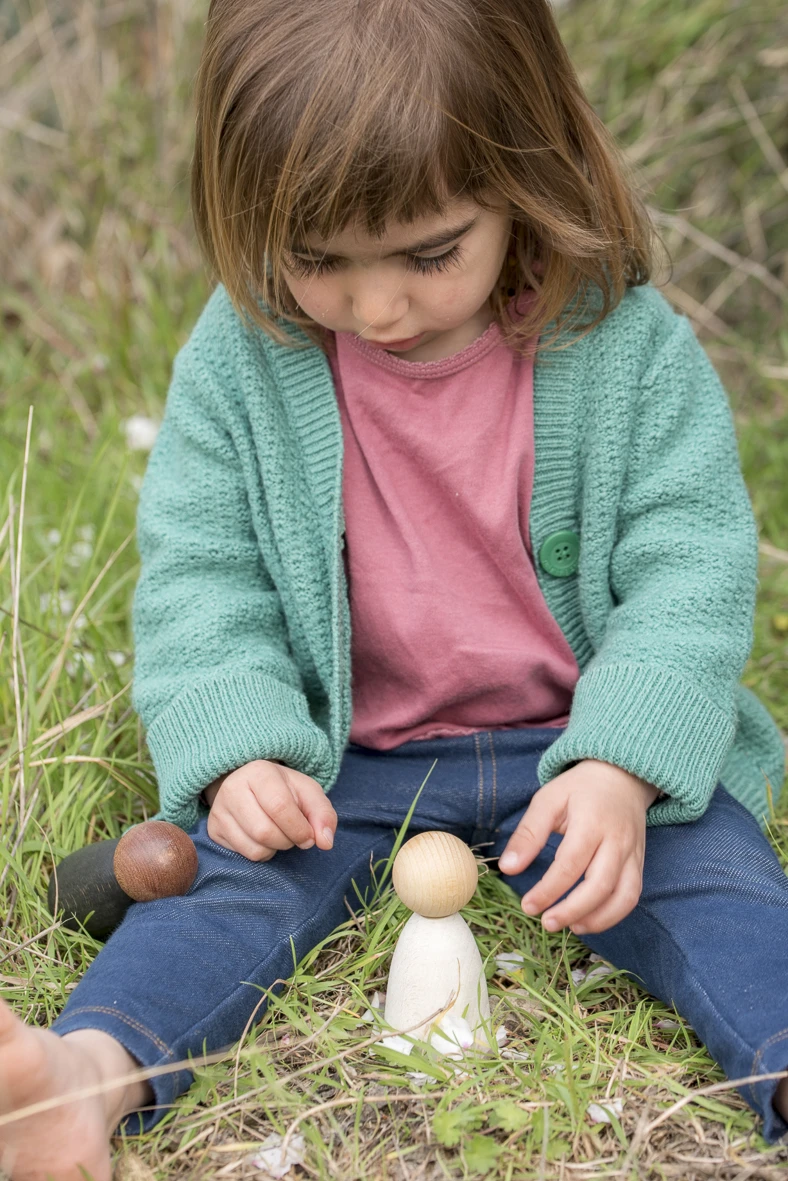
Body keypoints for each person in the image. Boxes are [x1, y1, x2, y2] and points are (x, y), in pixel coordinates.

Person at [1, 0, 787, 1175]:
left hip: (584, 750)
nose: (374, 308)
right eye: (316, 260)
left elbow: (688, 572)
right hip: (346, 760)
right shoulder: (239, 359)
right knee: (221, 891)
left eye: (429, 253)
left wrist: (623, 761)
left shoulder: (626, 351)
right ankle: (83, 1076)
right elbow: (203, 579)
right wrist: (244, 753)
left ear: (525, 170)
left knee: (723, 888)